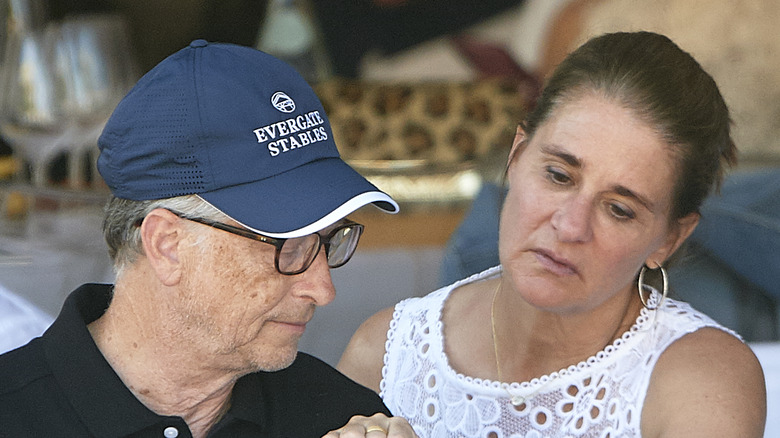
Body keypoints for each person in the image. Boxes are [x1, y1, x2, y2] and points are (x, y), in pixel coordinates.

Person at [338, 31, 767, 437]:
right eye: (559, 176)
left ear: (668, 240)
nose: (570, 225)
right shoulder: (385, 354)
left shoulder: (700, 378)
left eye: (619, 209)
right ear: (518, 154)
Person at [0, 39, 416, 438]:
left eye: (328, 241)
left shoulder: (338, 415)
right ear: (167, 246)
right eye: (288, 247)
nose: (323, 290)